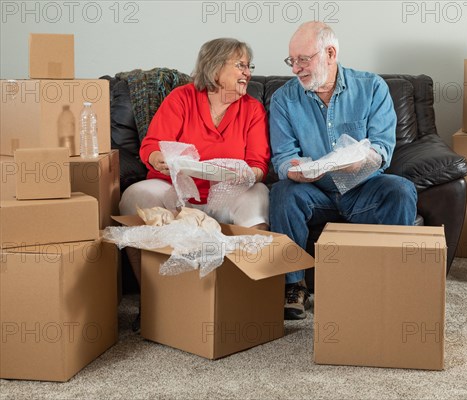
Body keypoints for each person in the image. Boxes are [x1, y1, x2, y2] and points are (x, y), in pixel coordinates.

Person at [269, 22, 417, 320]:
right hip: (315, 192)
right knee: (283, 192)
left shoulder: (372, 87)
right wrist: (293, 170)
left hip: (364, 189)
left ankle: (391, 278)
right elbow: (283, 157)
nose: (296, 69)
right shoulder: (284, 98)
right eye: (292, 61)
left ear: (330, 53)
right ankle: (294, 285)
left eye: (303, 59)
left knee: (401, 190)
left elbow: (382, 149)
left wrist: (362, 160)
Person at [119, 38, 270, 329]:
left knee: (259, 195)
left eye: (249, 66)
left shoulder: (252, 109)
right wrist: (158, 157)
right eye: (240, 65)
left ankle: (249, 298)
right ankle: (151, 300)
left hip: (226, 194)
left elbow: (259, 164)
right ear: (214, 69)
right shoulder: (181, 98)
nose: (247, 73)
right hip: (176, 192)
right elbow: (151, 146)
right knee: (133, 196)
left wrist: (249, 175)